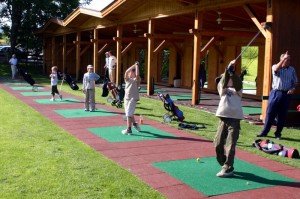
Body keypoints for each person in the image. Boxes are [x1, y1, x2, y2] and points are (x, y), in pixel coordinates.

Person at [257, 51, 298, 139]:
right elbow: (276, 70)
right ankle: (264, 132)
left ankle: (278, 133)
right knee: (270, 113)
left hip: (286, 94)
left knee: (282, 115)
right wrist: (283, 59)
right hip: (276, 93)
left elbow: (295, 82)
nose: (289, 62)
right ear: (282, 60)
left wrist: (293, 88)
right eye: (287, 60)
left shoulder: (292, 69)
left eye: (289, 60)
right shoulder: (275, 67)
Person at [214, 60, 243, 178]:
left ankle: (228, 167)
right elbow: (223, 81)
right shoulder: (222, 88)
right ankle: (225, 162)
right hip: (223, 118)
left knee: (230, 145)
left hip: (235, 119)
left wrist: (232, 72)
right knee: (218, 144)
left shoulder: (238, 88)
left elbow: (237, 83)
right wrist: (227, 69)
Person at [122, 61, 141, 135]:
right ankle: (134, 124)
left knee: (129, 114)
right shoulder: (127, 80)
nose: (129, 73)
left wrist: (136, 66)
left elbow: (137, 75)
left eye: (131, 72)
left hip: (133, 98)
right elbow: (126, 72)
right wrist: (134, 64)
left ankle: (128, 129)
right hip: (126, 98)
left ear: (133, 73)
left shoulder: (136, 80)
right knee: (129, 113)